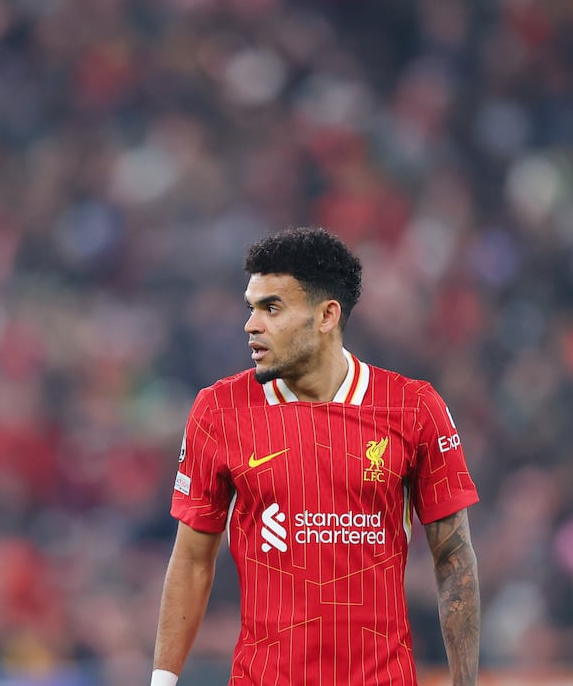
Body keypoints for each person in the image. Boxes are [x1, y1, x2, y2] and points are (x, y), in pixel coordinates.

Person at [152, 227, 480, 686]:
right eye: (251, 307)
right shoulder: (218, 411)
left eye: (272, 308)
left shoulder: (413, 408)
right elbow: (191, 559)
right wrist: (162, 681)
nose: (251, 324)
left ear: (327, 315)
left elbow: (454, 560)